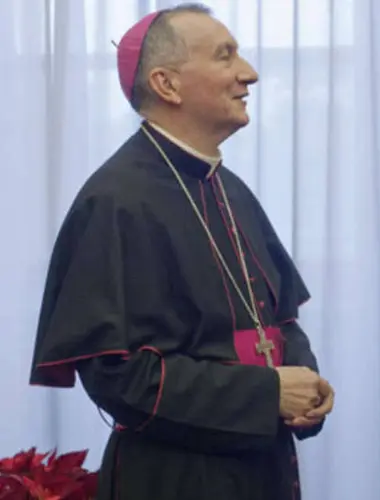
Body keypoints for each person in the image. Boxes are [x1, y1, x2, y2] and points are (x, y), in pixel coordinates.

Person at [29, 4, 333, 499]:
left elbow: (279, 321)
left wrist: (304, 383)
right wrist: (268, 393)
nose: (249, 73)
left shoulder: (230, 190)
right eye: (225, 56)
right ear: (167, 85)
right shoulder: (114, 201)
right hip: (173, 478)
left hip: (264, 467)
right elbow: (117, 375)